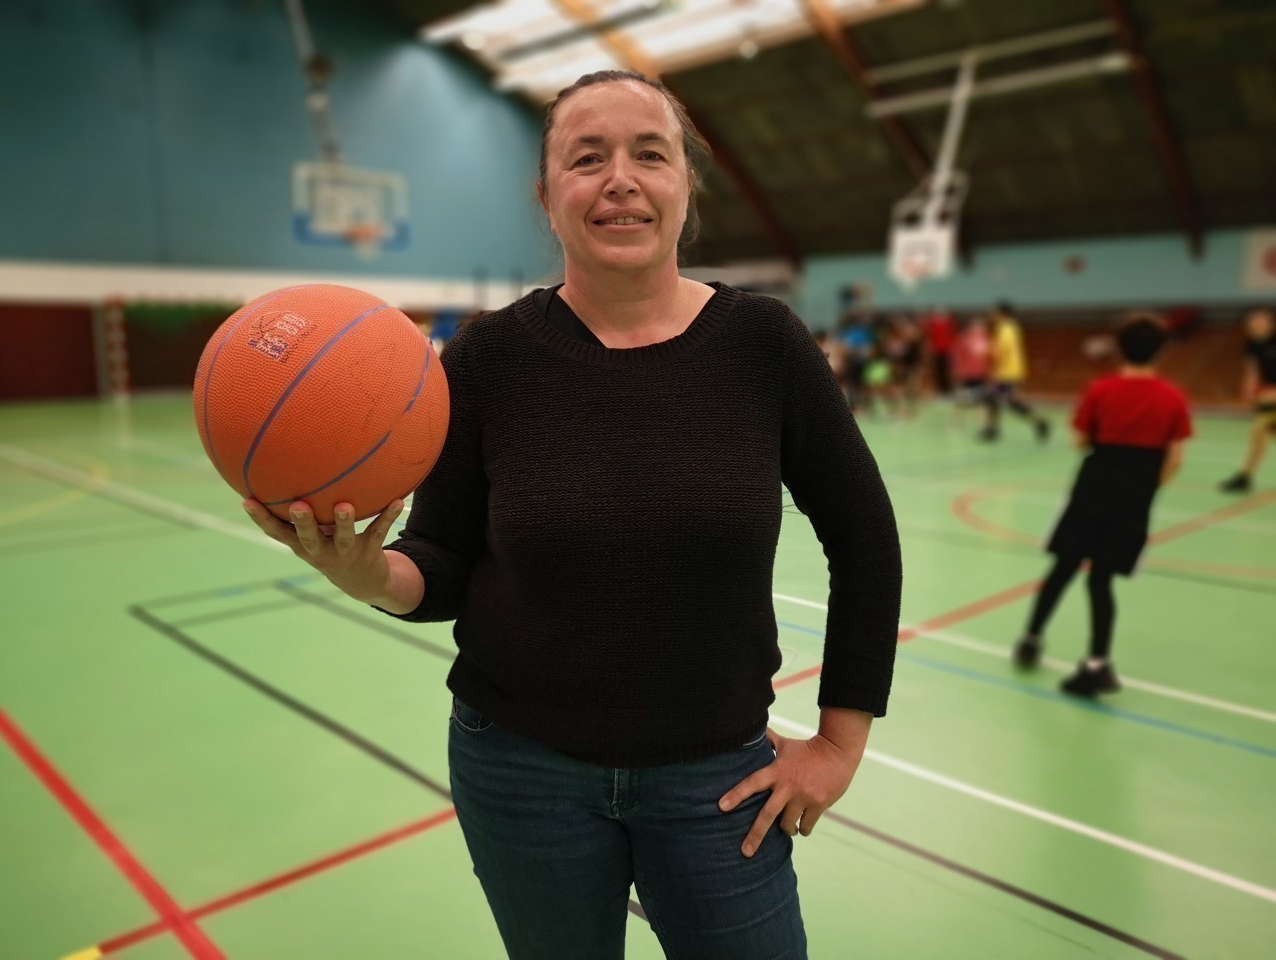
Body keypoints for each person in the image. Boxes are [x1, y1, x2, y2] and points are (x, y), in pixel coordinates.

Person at [243, 70, 902, 960]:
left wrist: (837, 743)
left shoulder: (763, 344)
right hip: (518, 772)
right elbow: (440, 560)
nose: (620, 178)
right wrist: (366, 571)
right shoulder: (488, 358)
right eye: (586, 158)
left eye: (649, 154)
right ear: (549, 198)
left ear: (685, 188)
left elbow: (864, 537)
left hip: (718, 781)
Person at [1013, 316, 1191, 696]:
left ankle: (1030, 639)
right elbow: (1175, 458)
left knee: (1063, 565)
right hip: (1135, 495)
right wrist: (1146, 488)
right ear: (1161, 351)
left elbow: (1080, 441)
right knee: (1102, 579)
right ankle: (1097, 664)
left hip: (1094, 486)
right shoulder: (1173, 397)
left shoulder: (1100, 389)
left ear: (1119, 347)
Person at [1219, 307, 1276, 493]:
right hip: (1269, 399)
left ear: (1271, 323)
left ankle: (1244, 476)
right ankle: (1244, 477)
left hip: (1272, 396)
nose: (1256, 325)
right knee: (1258, 435)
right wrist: (1248, 392)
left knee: (1258, 432)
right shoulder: (1252, 345)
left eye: (1261, 321)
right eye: (1252, 322)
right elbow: (1251, 371)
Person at [981, 301, 1051, 442]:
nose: (992, 315)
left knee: (999, 400)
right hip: (1011, 372)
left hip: (1007, 373)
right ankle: (992, 429)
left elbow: (1002, 351)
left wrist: (992, 361)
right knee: (997, 400)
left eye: (995, 312)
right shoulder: (1011, 327)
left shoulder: (1006, 328)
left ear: (1003, 313)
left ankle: (1039, 422)